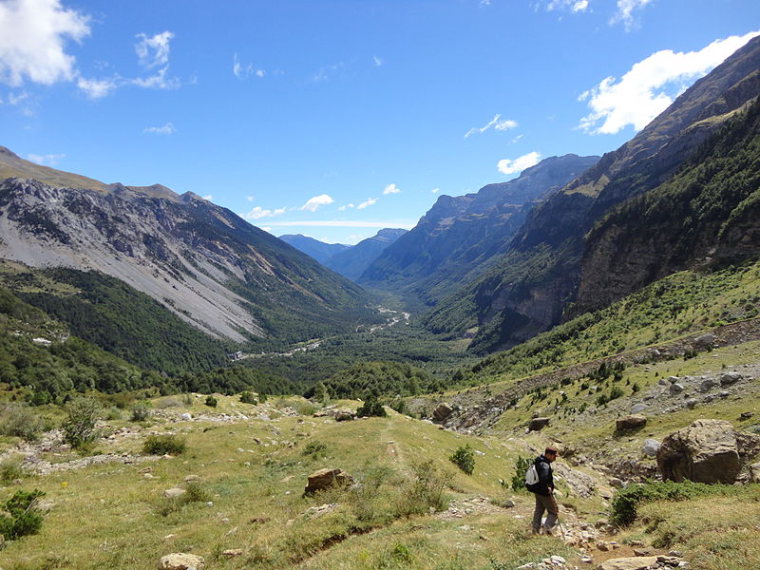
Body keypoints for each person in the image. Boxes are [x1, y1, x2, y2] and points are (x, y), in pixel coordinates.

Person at [529, 446, 559, 535]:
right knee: (554, 512)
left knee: (539, 511)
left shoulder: (538, 461)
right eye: (554, 456)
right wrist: (548, 489)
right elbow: (544, 478)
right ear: (548, 455)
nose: (555, 458)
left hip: (537, 491)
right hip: (544, 493)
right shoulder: (545, 465)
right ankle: (546, 532)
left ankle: (535, 531)